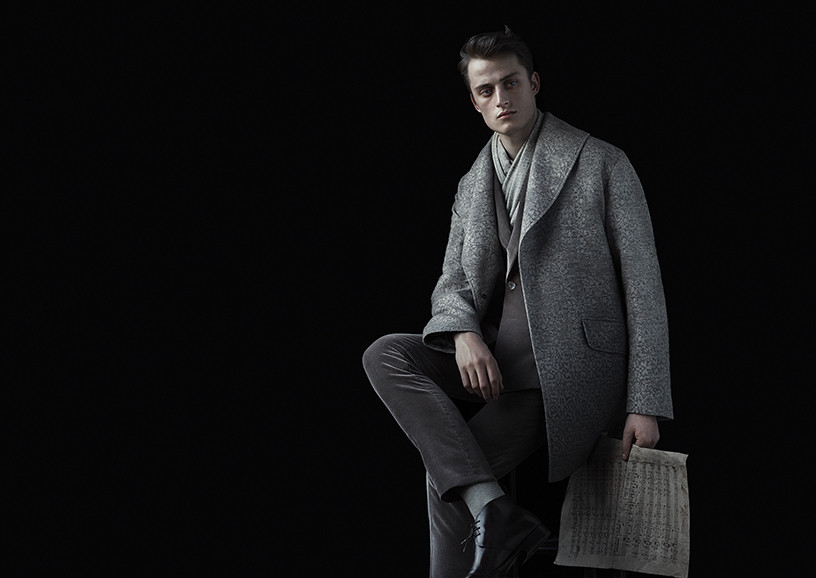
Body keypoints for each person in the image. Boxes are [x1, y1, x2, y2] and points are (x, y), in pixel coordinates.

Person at [363, 26, 673, 578]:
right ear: (475, 101)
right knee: (385, 353)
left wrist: (644, 402)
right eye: (486, 90)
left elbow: (645, 288)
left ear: (534, 83)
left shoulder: (602, 162)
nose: (501, 98)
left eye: (510, 83)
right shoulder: (471, 183)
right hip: (498, 364)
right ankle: (498, 515)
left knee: (452, 472)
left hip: (573, 371)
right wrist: (464, 334)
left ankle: (491, 521)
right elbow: (453, 281)